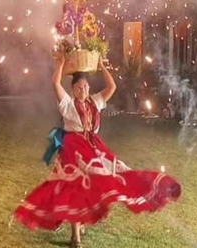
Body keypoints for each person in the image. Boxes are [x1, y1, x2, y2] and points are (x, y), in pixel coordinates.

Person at [14, 54, 181, 247]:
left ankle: (83, 220)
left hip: (93, 146)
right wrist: (60, 64)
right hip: (74, 147)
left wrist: (101, 65)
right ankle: (75, 236)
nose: (83, 90)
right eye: (78, 88)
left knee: (106, 178)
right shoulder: (67, 104)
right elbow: (55, 83)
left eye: (85, 87)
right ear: (73, 89)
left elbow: (112, 87)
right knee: (75, 187)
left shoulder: (95, 101)